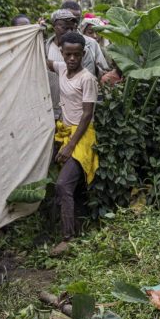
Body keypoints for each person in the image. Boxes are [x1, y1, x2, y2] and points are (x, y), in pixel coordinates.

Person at [45, 32, 99, 255]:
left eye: (77, 54)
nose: (72, 59)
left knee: (63, 184)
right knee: (68, 186)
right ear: (62, 53)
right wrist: (37, 33)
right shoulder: (60, 68)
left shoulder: (87, 79)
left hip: (82, 136)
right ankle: (72, 226)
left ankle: (68, 239)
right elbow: (44, 60)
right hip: (64, 132)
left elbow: (87, 115)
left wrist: (69, 147)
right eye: (68, 54)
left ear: (83, 53)